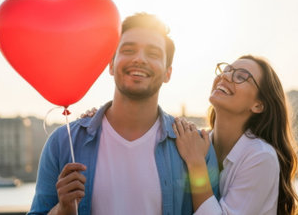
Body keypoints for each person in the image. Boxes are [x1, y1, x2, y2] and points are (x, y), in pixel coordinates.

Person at [28, 13, 219, 215]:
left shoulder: (197, 148)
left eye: (153, 54)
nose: (139, 59)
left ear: (167, 73)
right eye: (128, 50)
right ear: (110, 64)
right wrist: (62, 210)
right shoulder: (63, 142)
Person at [173, 55, 298, 215]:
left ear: (258, 105)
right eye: (226, 70)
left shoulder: (261, 156)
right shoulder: (193, 142)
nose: (225, 76)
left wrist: (196, 163)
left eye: (241, 76)